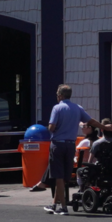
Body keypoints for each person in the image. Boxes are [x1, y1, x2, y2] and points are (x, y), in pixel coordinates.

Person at [44, 85, 92, 215]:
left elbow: (52, 127)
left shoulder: (57, 108)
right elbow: (90, 120)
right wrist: (105, 127)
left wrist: (49, 127)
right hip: (71, 144)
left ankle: (63, 207)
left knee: (58, 176)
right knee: (64, 176)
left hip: (58, 144)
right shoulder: (77, 108)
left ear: (60, 95)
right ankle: (54, 204)